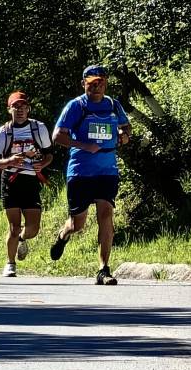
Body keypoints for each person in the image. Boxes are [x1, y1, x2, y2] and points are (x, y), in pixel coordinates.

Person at [50, 65, 132, 285]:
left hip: (107, 170)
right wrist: (84, 145)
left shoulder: (114, 105)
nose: (97, 87)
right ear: (83, 83)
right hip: (80, 171)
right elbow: (57, 136)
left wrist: (123, 137)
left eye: (102, 82)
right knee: (78, 224)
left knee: (106, 215)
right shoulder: (76, 106)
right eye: (93, 83)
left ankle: (103, 269)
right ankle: (63, 235)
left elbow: (126, 127)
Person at [0, 91, 54, 277]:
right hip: (11, 181)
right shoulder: (3, 132)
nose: (20, 110)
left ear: (28, 109)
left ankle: (22, 240)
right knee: (14, 226)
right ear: (9, 109)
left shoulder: (38, 128)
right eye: (16, 107)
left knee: (33, 228)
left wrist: (44, 163)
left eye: (23, 107)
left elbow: (49, 153)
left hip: (31, 180)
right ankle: (10, 264)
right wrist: (9, 161)